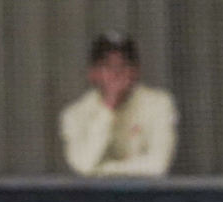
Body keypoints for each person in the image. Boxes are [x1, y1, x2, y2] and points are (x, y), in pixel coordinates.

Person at [60, 31, 177, 177]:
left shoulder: (159, 104)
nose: (116, 73)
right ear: (93, 73)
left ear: (135, 72)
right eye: (108, 66)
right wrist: (108, 108)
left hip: (144, 193)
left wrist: (104, 170)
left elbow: (158, 165)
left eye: (124, 65)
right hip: (96, 195)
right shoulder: (75, 113)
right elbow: (84, 165)